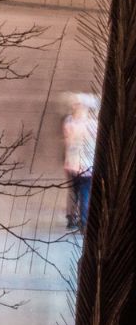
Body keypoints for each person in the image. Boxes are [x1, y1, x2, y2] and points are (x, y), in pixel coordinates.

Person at [65, 92, 100, 230]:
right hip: (87, 166)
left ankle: (71, 218)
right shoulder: (93, 126)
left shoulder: (70, 124)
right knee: (85, 193)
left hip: (71, 165)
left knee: (73, 192)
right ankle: (84, 222)